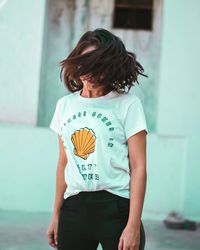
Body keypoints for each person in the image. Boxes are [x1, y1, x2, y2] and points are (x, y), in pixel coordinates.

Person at [46, 28, 148, 250]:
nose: (90, 73)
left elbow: (138, 167)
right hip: (74, 208)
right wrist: (56, 215)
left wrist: (132, 225)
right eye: (85, 64)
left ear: (111, 68)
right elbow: (63, 163)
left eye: (98, 66)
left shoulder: (127, 104)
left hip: (116, 206)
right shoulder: (65, 106)